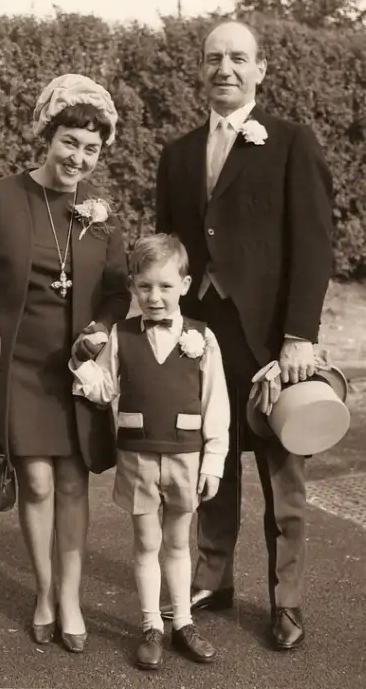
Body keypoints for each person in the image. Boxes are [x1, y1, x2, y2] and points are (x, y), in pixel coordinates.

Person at [154, 19, 334, 650]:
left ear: (261, 70)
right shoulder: (176, 155)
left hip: (272, 342)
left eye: (238, 59)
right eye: (213, 59)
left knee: (284, 480)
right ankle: (213, 576)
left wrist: (299, 335)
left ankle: (286, 602)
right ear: (200, 71)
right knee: (212, 463)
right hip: (201, 338)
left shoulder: (290, 142)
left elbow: (314, 247)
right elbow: (168, 251)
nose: (224, 69)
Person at [0, 74, 130, 652]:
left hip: (73, 369)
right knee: (33, 479)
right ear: (46, 136)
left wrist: (100, 332)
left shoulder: (100, 215)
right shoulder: (1, 197)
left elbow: (117, 290)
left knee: (74, 483)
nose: (77, 158)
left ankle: (73, 600)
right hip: (19, 365)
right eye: (69, 143)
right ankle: (45, 592)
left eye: (90, 149)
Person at [69, 234, 230, 670]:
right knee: (145, 544)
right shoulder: (121, 336)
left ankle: (182, 622)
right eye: (144, 287)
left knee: (178, 544)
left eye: (164, 286)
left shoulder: (202, 337)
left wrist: (213, 461)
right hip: (137, 456)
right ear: (133, 288)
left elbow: (217, 405)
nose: (154, 297)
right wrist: (81, 361)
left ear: (185, 283)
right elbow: (103, 389)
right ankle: (150, 626)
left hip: (185, 456)